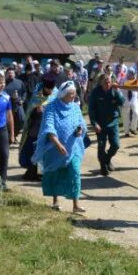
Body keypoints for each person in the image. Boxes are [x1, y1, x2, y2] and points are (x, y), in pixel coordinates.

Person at [33, 81, 89, 213]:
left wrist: (80, 130)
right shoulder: (51, 107)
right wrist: (57, 144)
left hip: (73, 146)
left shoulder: (75, 107)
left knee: (75, 172)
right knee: (55, 172)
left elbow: (81, 122)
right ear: (63, 94)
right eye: (70, 93)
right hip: (54, 148)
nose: (73, 95)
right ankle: (55, 201)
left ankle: (76, 204)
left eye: (74, 93)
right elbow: (49, 126)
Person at [20, 78, 58, 181]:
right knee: (34, 150)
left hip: (49, 129)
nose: (50, 91)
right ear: (44, 87)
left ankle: (43, 173)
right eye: (48, 88)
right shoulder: (37, 96)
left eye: (52, 88)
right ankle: (32, 172)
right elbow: (29, 113)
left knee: (46, 151)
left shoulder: (56, 94)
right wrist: (36, 111)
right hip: (36, 129)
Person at [88, 73, 125, 176]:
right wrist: (94, 123)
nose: (108, 84)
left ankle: (107, 159)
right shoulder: (95, 92)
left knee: (116, 145)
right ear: (101, 83)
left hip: (113, 122)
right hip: (100, 124)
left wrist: (118, 91)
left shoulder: (114, 90)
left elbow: (122, 102)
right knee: (101, 146)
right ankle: (103, 166)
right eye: (106, 82)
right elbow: (91, 110)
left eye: (109, 82)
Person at [3, 66, 26, 144]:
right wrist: (10, 97)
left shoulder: (19, 82)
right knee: (8, 121)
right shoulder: (3, 83)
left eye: (12, 73)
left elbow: (24, 92)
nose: (10, 74)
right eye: (9, 73)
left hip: (18, 104)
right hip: (7, 105)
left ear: (14, 74)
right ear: (6, 74)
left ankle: (14, 135)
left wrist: (22, 100)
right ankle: (10, 136)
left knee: (22, 120)